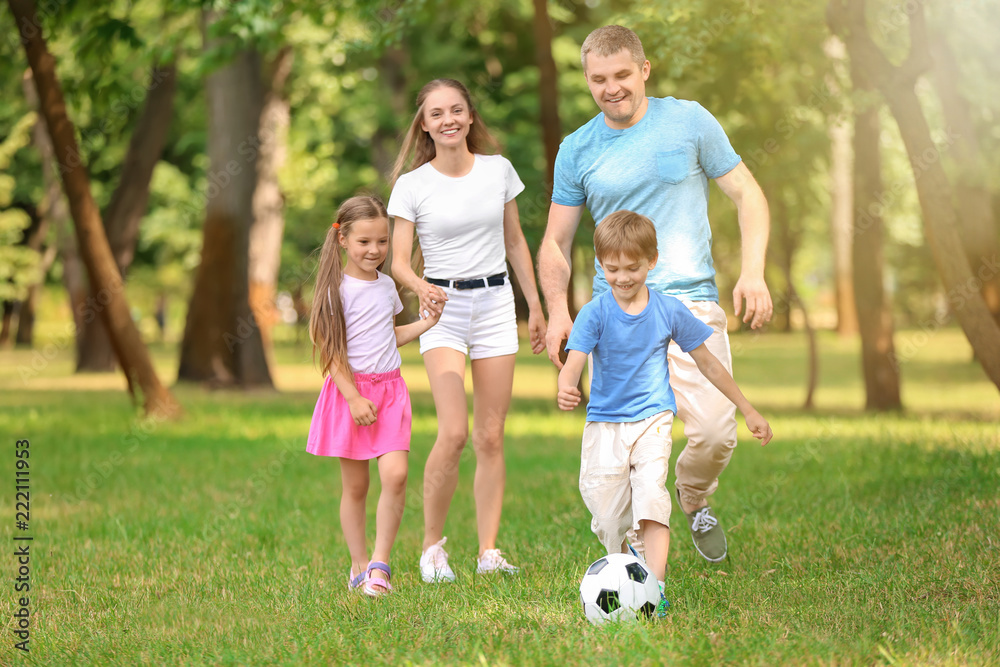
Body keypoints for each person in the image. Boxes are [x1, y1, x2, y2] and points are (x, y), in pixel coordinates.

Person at [539, 25, 774, 562]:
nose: (611, 88)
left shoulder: (689, 121)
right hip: (617, 313)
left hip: (689, 301)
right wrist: (558, 313)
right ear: (587, 81)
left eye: (622, 74)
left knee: (716, 432)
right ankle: (633, 561)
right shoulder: (577, 149)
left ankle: (693, 497)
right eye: (599, 79)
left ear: (644, 70)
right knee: (619, 456)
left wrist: (754, 272)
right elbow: (555, 240)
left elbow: (748, 195)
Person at [557, 211, 772, 614]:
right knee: (606, 516)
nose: (623, 277)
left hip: (653, 417)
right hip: (605, 423)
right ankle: (625, 564)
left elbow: (708, 363)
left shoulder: (668, 310)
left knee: (652, 495)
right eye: (612, 268)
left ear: (652, 261)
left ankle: (653, 587)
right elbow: (574, 363)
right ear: (601, 265)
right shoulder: (596, 312)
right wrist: (566, 386)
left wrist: (747, 409)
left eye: (633, 268)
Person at [388, 78, 547, 582]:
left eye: (457, 110)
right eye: (437, 113)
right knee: (454, 431)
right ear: (425, 124)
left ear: (470, 116)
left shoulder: (498, 171)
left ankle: (488, 552)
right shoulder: (412, 185)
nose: (448, 119)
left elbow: (517, 242)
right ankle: (431, 548)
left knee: (491, 435)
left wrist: (537, 307)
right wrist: (420, 285)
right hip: (443, 311)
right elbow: (397, 263)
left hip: (497, 304)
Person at [306, 195, 441, 597]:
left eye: (382, 242)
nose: (375, 250)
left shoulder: (386, 286)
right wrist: (351, 398)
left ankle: (380, 565)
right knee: (356, 488)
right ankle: (359, 563)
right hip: (351, 392)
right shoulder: (335, 290)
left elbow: (389, 337)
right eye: (365, 242)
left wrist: (427, 323)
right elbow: (330, 351)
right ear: (343, 239)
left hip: (390, 391)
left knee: (396, 475)